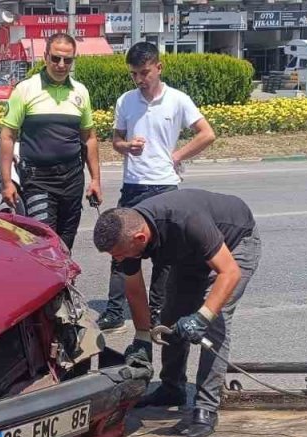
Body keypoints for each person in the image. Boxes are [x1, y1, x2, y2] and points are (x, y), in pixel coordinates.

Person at [93, 190, 261, 437]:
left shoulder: (187, 220)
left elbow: (230, 272)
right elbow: (135, 289)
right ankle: (172, 388)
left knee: (215, 320)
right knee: (171, 315)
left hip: (235, 246)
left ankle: (206, 407)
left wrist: (202, 317)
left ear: (140, 238)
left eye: (118, 254)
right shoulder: (128, 238)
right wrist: (142, 338)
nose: (116, 260)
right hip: (190, 256)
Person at [97, 41, 216, 332]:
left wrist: (176, 156)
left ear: (158, 68)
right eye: (134, 74)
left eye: (144, 72)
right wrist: (127, 147)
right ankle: (114, 312)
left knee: (164, 257)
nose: (139, 79)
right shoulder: (126, 101)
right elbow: (116, 141)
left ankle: (155, 311)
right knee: (121, 249)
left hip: (164, 187)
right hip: (134, 186)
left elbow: (207, 134)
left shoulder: (178, 100)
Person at [0, 32, 102, 251]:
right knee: (44, 245)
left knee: (65, 245)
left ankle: (63, 285)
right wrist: (7, 182)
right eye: (55, 58)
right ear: (45, 56)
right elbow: (8, 136)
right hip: (38, 181)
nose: (61, 64)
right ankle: (46, 284)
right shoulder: (25, 90)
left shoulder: (80, 91)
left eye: (68, 59)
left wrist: (95, 180)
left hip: (73, 180)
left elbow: (89, 138)